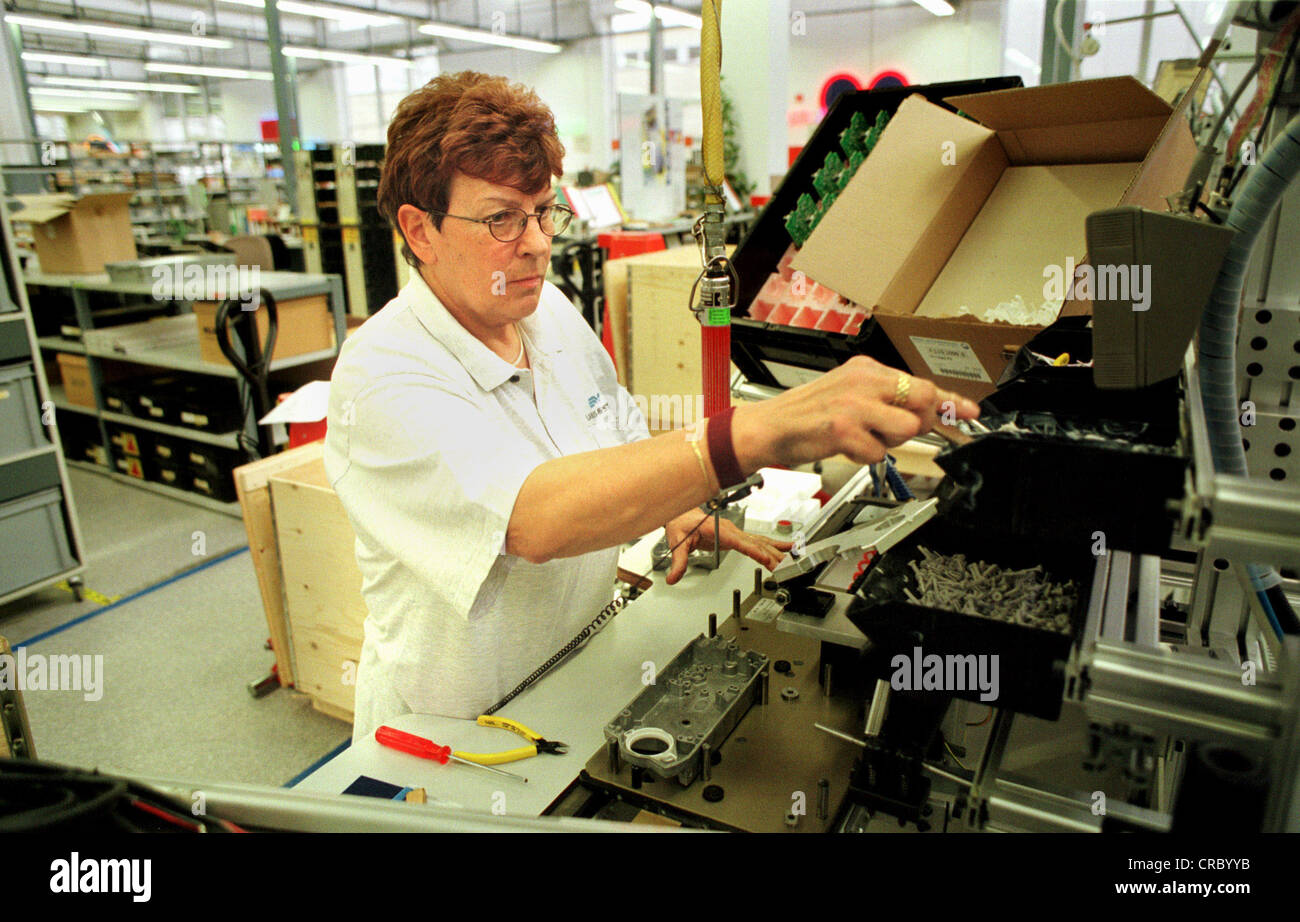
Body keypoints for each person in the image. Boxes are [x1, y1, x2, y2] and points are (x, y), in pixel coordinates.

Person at [324, 72, 980, 743]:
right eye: (501, 218)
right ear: (420, 230)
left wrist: (675, 502)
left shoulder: (543, 309)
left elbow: (613, 435)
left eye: (545, 211)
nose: (537, 243)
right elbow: (533, 519)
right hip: (451, 736)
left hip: (577, 681)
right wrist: (745, 435)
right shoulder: (384, 374)